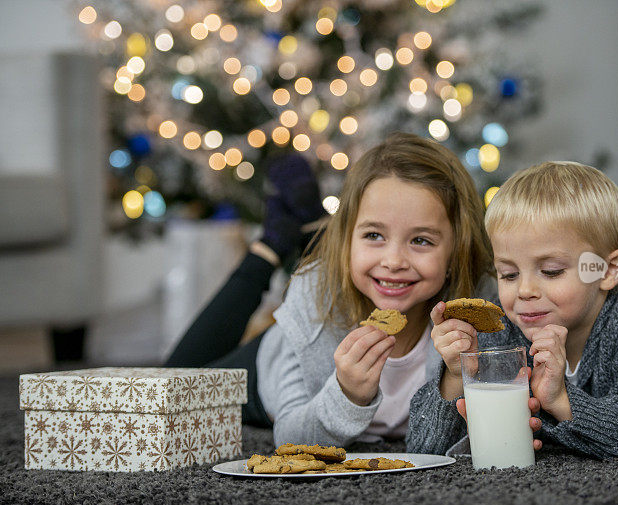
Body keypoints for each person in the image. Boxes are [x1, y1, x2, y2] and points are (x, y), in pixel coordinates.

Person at [166, 132, 495, 448]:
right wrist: (347, 393)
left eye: (421, 240)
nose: (394, 261)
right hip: (268, 370)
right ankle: (271, 246)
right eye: (373, 235)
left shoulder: (474, 318)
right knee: (165, 392)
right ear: (349, 237)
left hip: (350, 271)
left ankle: (314, 229)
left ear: (457, 250)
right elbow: (291, 435)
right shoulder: (316, 304)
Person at [406, 161, 618, 459]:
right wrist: (458, 375)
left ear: (608, 270)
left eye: (552, 271)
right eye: (509, 274)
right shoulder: (499, 328)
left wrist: (561, 402)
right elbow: (422, 449)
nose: (525, 291)